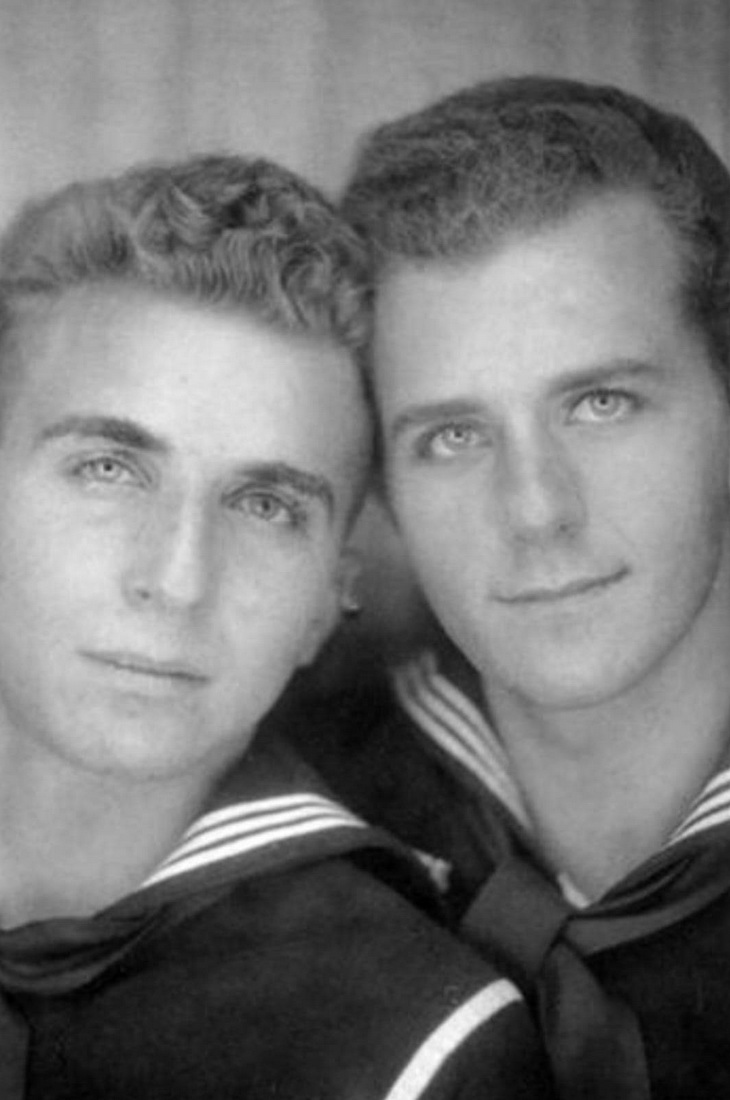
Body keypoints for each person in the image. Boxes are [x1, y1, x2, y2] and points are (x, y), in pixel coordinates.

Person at [0, 154, 549, 1099]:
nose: (177, 580)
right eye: (108, 469)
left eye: (265, 506)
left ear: (328, 599)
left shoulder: (419, 1048)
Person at [327, 77, 730, 1099]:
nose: (536, 509)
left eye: (601, 403)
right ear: (382, 486)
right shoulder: (290, 831)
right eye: (452, 436)